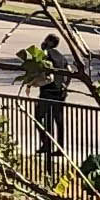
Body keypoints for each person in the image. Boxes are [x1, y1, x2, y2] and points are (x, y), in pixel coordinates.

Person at [29, 37, 71, 165]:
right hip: (60, 93)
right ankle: (60, 148)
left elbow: (45, 74)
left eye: (46, 40)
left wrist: (33, 82)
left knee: (40, 118)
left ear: (50, 43)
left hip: (47, 92)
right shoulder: (62, 57)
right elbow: (69, 71)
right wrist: (65, 86)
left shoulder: (46, 55)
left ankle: (46, 143)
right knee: (58, 120)